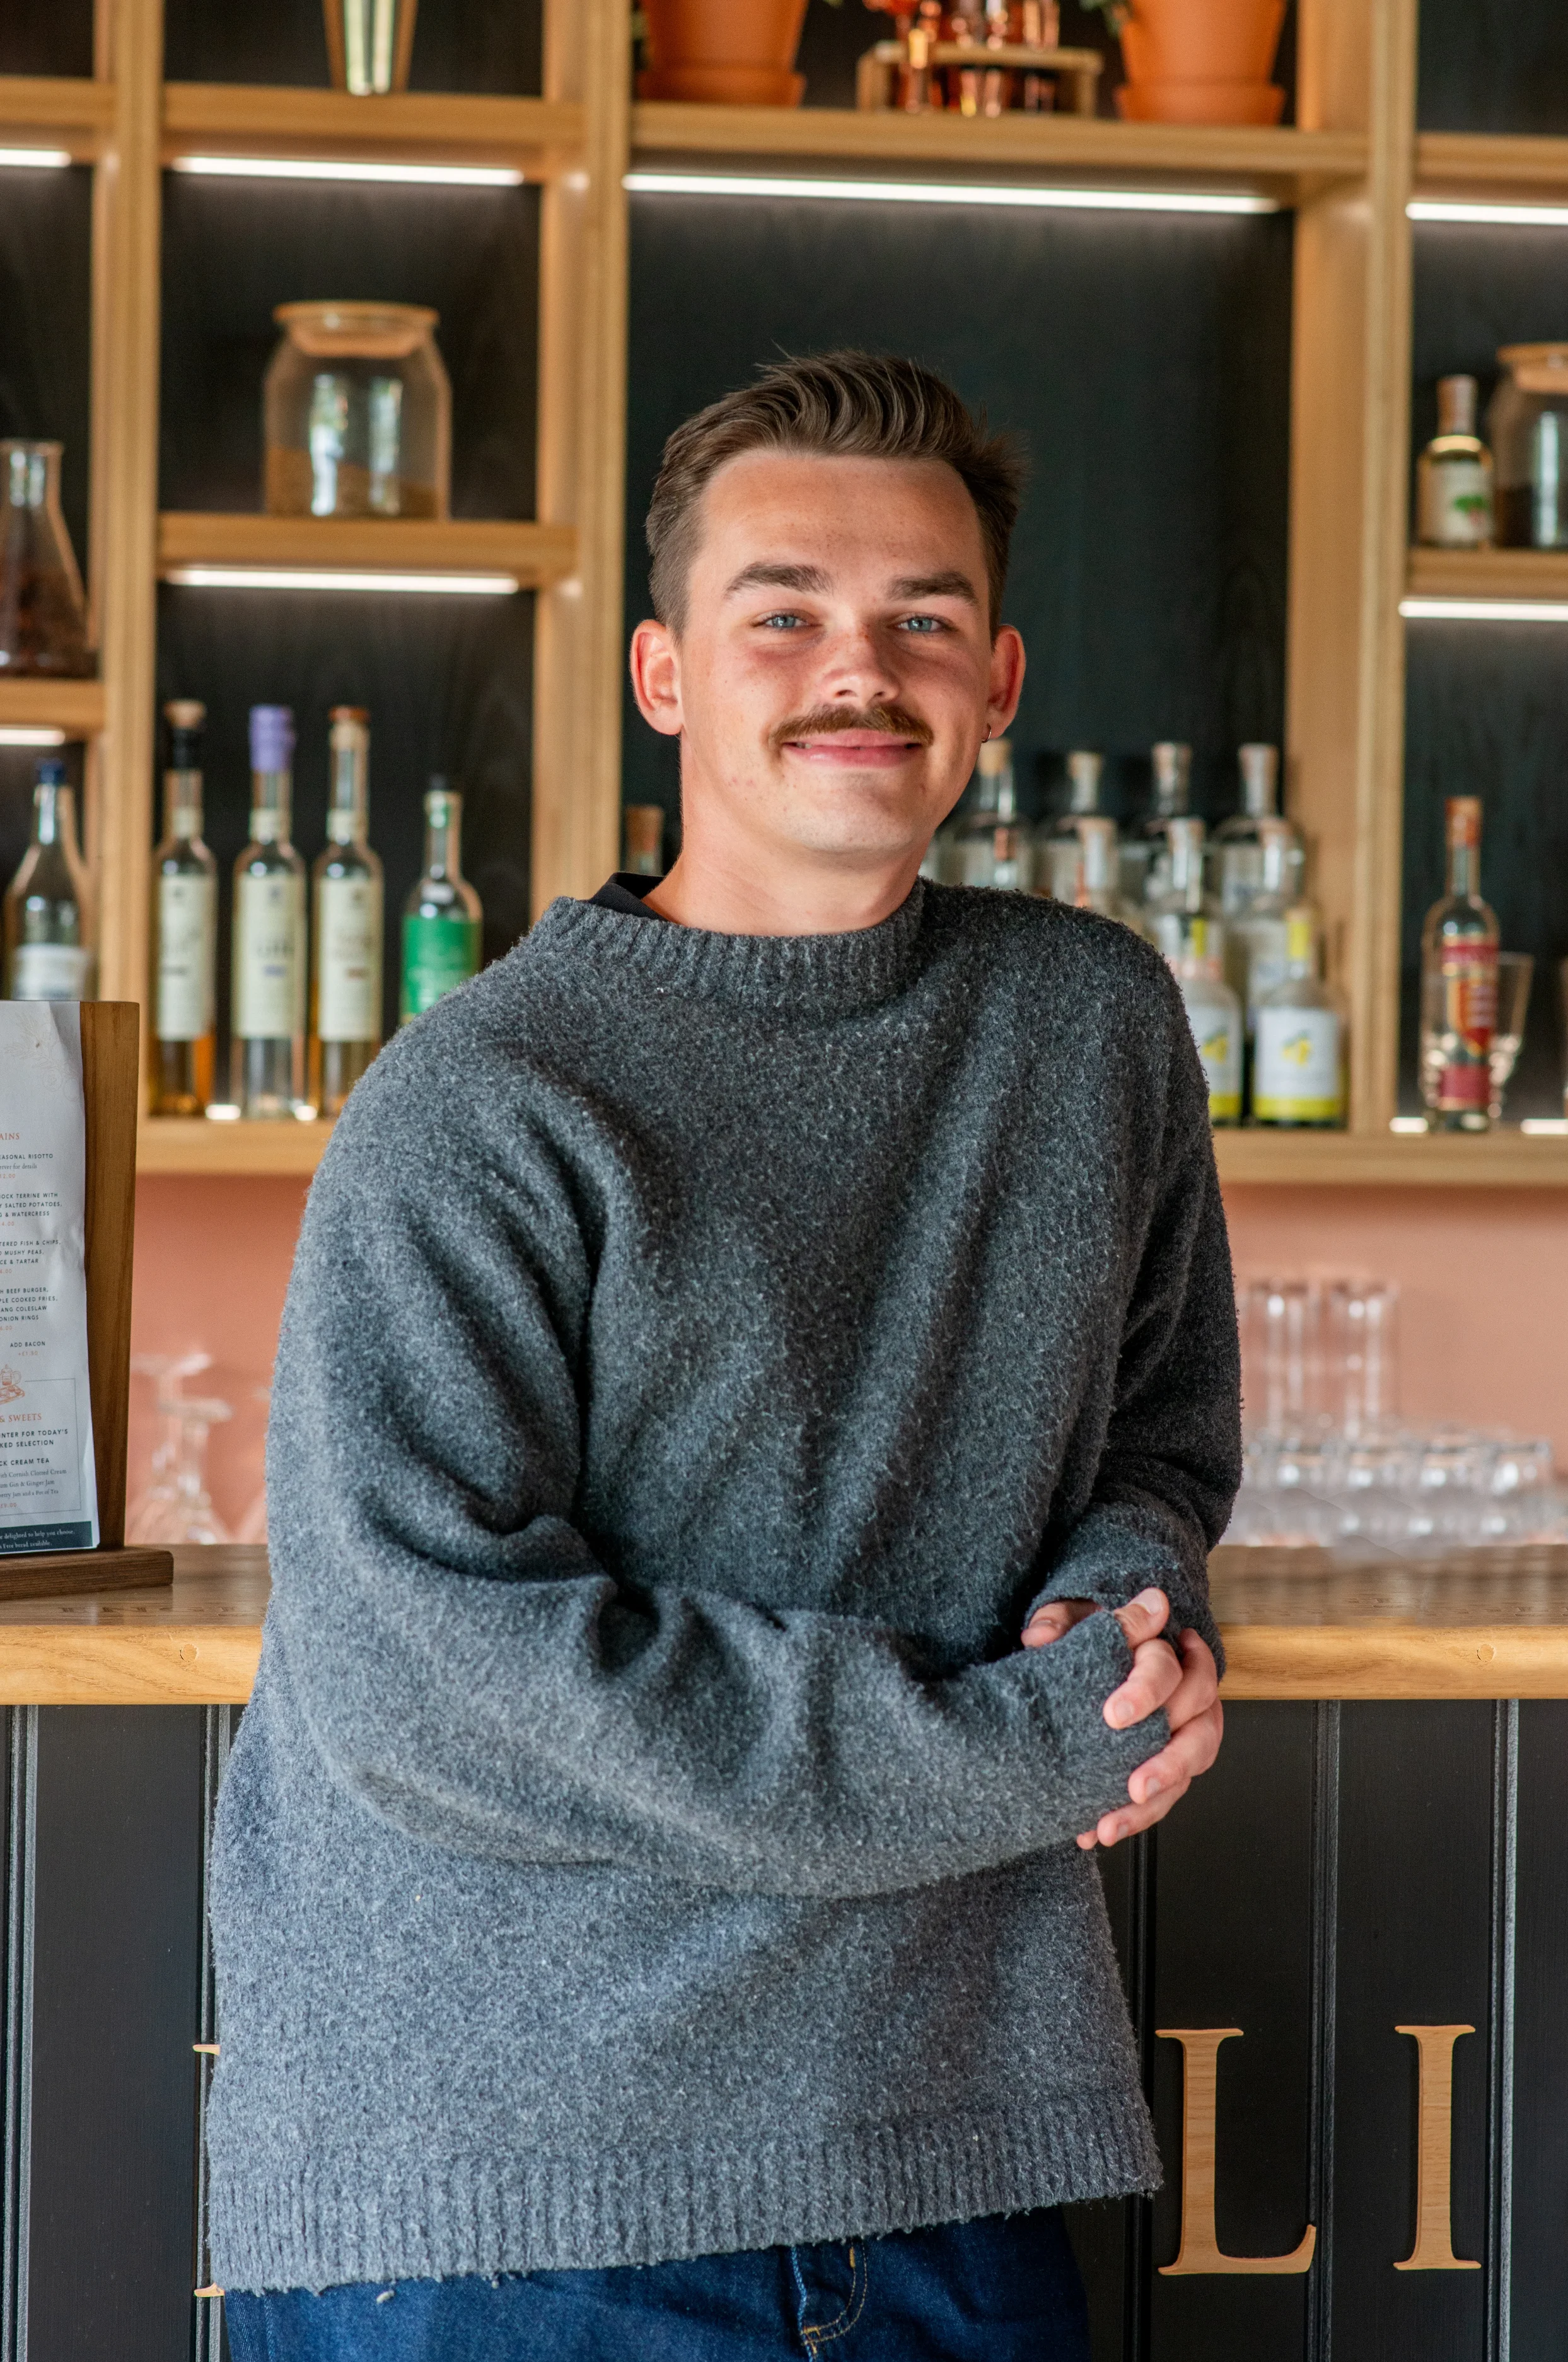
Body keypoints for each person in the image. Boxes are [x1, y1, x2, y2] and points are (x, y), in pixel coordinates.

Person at [210, 351, 1238, 2360]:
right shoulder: (486, 1097)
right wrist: (1028, 1746)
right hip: (516, 2196)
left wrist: (1122, 1612)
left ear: (999, 679)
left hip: (943, 2148)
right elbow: (436, 1675)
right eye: (782, 615)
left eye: (919, 618)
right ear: (667, 676)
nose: (857, 669)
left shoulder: (1088, 1026)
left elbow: (1157, 1438)